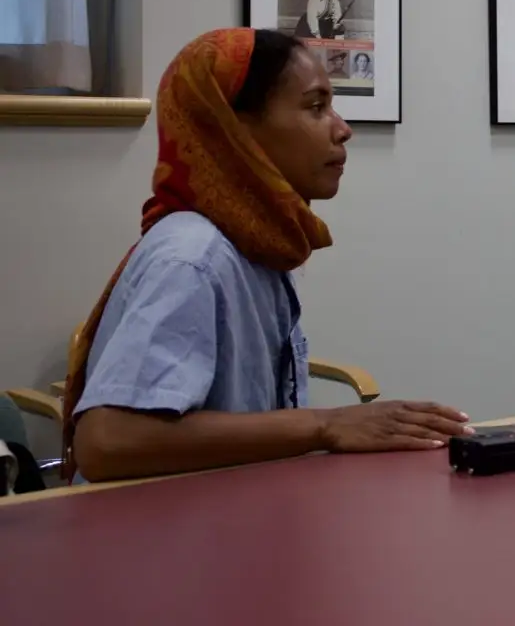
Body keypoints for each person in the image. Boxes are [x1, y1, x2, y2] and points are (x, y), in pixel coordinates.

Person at [62, 28, 472, 483]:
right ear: (234, 130)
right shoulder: (194, 257)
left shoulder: (253, 243)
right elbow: (108, 441)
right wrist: (325, 426)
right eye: (316, 107)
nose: (343, 129)